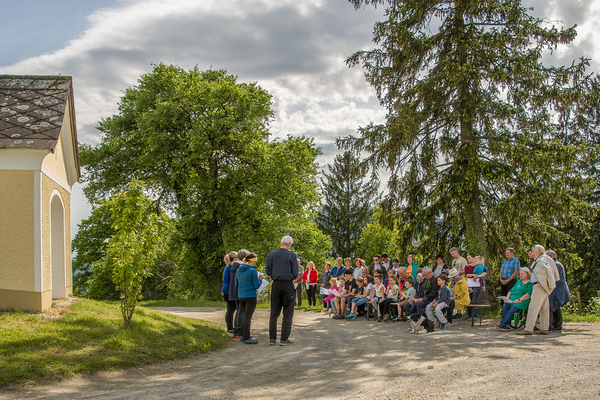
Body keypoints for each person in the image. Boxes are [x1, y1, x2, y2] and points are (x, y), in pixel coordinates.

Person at [265, 235, 298, 346]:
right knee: (288, 312)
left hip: (276, 284)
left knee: (274, 313)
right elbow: (295, 273)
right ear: (289, 244)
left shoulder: (271, 254)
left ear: (281, 242)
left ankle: (272, 338)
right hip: (287, 284)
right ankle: (284, 338)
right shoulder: (291, 255)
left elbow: (268, 271)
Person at [517, 245, 556, 335]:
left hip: (539, 285)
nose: (532, 253)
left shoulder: (541, 260)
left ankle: (529, 329)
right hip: (543, 285)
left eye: (533, 251)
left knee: (533, 307)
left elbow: (548, 272)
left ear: (540, 252)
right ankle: (544, 327)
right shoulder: (546, 259)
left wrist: (547, 283)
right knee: (544, 308)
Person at [235, 253, 261, 344]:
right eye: (255, 261)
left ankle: (242, 335)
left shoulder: (238, 270)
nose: (255, 263)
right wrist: (260, 279)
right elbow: (256, 285)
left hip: (241, 296)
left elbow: (236, 284)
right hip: (251, 296)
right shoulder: (253, 271)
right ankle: (247, 337)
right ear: (252, 261)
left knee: (242, 315)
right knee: (248, 317)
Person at [546, 250, 570, 332]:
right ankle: (554, 325)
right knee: (554, 306)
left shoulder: (556, 265)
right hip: (556, 287)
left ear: (551, 257)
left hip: (558, 288)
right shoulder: (555, 264)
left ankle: (556, 325)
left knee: (554, 306)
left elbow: (555, 277)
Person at [229, 248, 249, 339]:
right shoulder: (243, 266)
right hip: (241, 290)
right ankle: (240, 331)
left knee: (238, 311)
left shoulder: (234, 266)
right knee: (241, 311)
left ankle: (236, 330)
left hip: (234, 290)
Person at [464, 254, 487, 321]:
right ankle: (469, 314)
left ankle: (475, 315)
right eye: (467, 258)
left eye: (469, 258)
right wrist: (473, 275)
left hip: (478, 284)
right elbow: (466, 274)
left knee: (475, 299)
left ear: (473, 258)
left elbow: (485, 273)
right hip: (470, 283)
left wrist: (478, 276)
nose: (468, 259)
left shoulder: (480, 265)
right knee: (468, 299)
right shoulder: (467, 266)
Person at [221, 251, 238, 335]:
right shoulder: (232, 268)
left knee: (230, 309)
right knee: (231, 310)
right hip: (229, 290)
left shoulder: (227, 267)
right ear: (235, 259)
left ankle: (230, 328)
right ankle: (230, 329)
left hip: (225, 290)